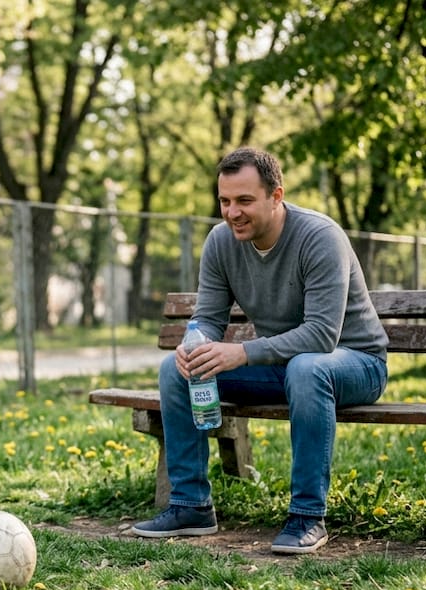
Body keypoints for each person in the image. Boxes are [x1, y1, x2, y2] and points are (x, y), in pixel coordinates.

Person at [130, 147, 389, 554]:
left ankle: (307, 515)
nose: (233, 212)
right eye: (225, 201)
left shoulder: (319, 237)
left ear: (276, 196)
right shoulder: (221, 242)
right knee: (174, 370)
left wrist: (243, 352)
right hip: (284, 368)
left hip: (354, 364)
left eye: (245, 201)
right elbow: (209, 318)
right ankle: (191, 505)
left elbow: (322, 336)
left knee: (307, 369)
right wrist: (192, 343)